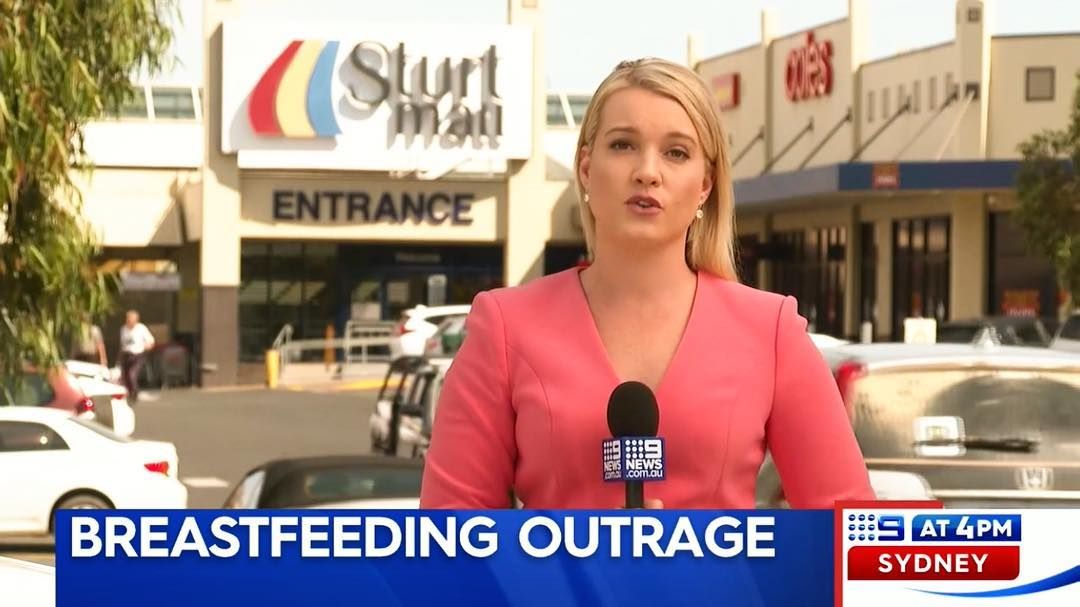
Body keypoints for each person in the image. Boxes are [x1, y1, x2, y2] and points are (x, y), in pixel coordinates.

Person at [420, 58, 873, 509]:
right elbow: (449, 532)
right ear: (585, 168)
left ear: (705, 185)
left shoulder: (771, 330)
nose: (647, 172)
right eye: (623, 145)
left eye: (676, 153)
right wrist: (588, 544)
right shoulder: (505, 327)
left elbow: (854, 527)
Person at [118, 310, 155, 403]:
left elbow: (151, 341)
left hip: (137, 355)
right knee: (125, 376)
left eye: (132, 320)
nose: (130, 321)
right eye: (128, 319)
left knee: (132, 374)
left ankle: (134, 393)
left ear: (136, 320)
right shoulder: (123, 329)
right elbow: (122, 344)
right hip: (126, 354)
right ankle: (129, 393)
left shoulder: (141, 328)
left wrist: (148, 346)